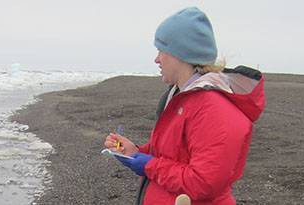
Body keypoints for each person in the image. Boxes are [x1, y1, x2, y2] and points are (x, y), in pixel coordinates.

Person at [103, 7, 266, 205]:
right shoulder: (181, 96)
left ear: (179, 53)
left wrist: (148, 165)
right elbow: (173, 155)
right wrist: (136, 152)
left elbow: (204, 183)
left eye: (161, 50)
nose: (156, 59)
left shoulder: (213, 108)